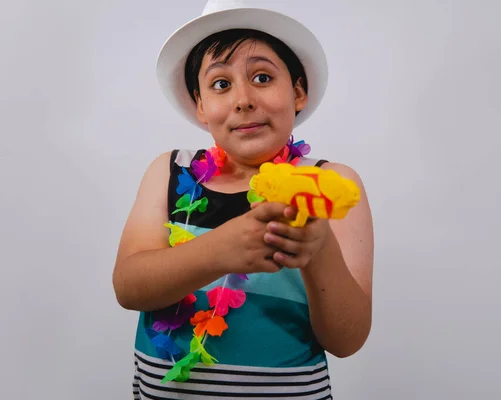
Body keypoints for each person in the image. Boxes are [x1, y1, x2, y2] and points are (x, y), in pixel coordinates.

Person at [112, 1, 374, 398]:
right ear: (200, 105)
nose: (243, 99)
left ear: (298, 92)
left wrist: (319, 250)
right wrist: (219, 250)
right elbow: (129, 289)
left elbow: (347, 339)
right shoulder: (169, 171)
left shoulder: (328, 182)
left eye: (263, 77)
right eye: (220, 84)